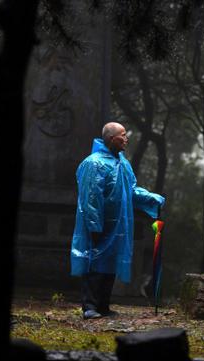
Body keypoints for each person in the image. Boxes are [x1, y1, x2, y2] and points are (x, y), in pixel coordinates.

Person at [70, 122, 165, 319]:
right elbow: (90, 198)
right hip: (99, 224)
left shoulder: (123, 163)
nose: (127, 138)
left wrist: (152, 199)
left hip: (118, 226)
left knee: (109, 265)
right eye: (123, 135)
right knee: (94, 263)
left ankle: (103, 305)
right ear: (112, 138)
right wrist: (94, 224)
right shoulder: (94, 163)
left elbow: (131, 190)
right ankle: (90, 306)